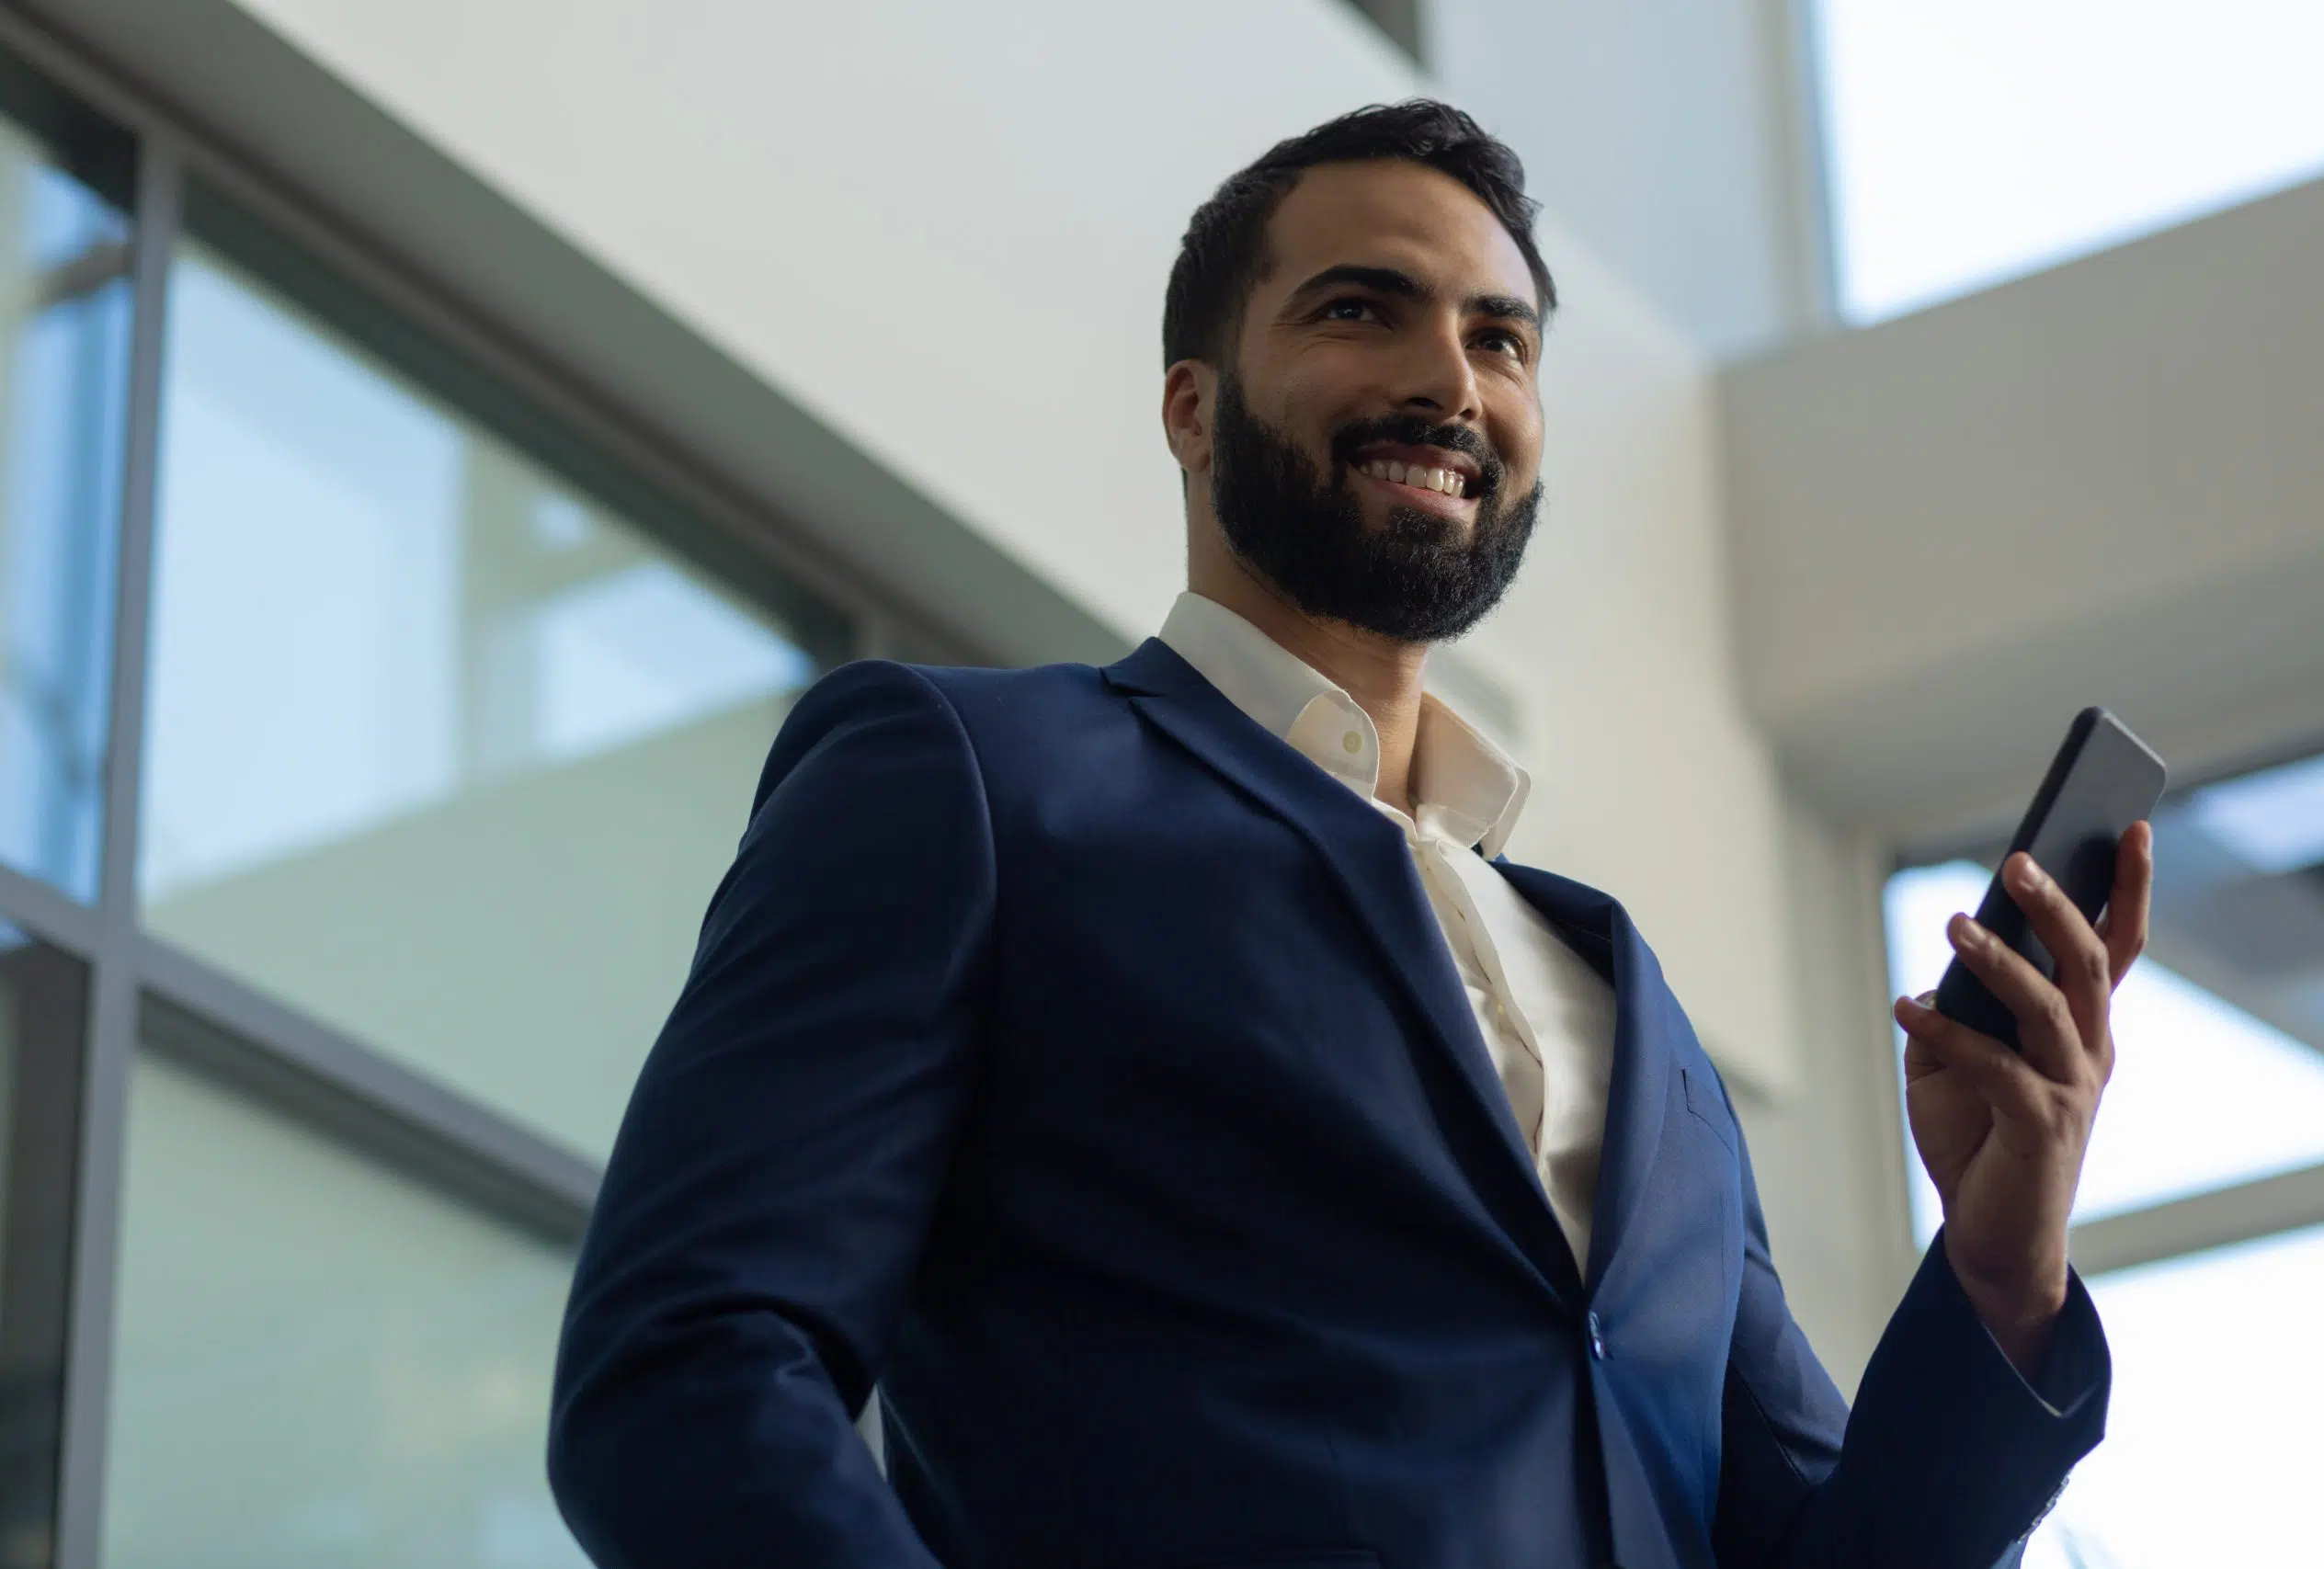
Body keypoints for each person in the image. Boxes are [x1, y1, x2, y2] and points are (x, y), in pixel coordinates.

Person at [548, 101, 2145, 1569]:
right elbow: (687, 1370)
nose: (1451, 379)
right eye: (1359, 307)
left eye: (1500, 339)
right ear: (1192, 404)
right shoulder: (966, 779)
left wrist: (2001, 1270)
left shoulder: (1621, 994)